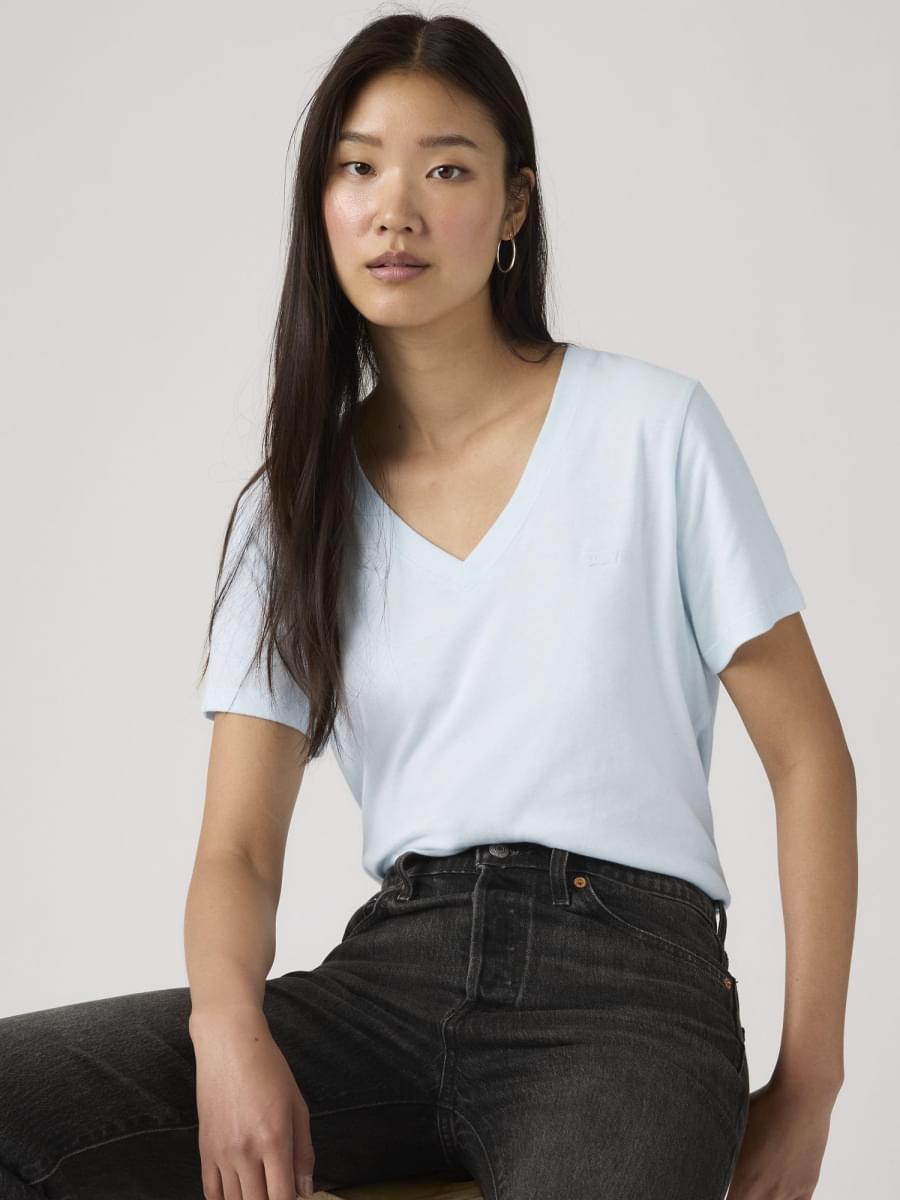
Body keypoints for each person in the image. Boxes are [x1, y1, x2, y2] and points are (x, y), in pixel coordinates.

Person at [0, 11, 856, 1200]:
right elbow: (236, 850)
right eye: (357, 168)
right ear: (321, 204)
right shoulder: (295, 508)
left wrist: (809, 1084)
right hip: (389, 986)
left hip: (629, 1000)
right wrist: (228, 1033)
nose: (393, 209)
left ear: (514, 206)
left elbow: (809, 759)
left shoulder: (650, 431)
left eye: (445, 169)